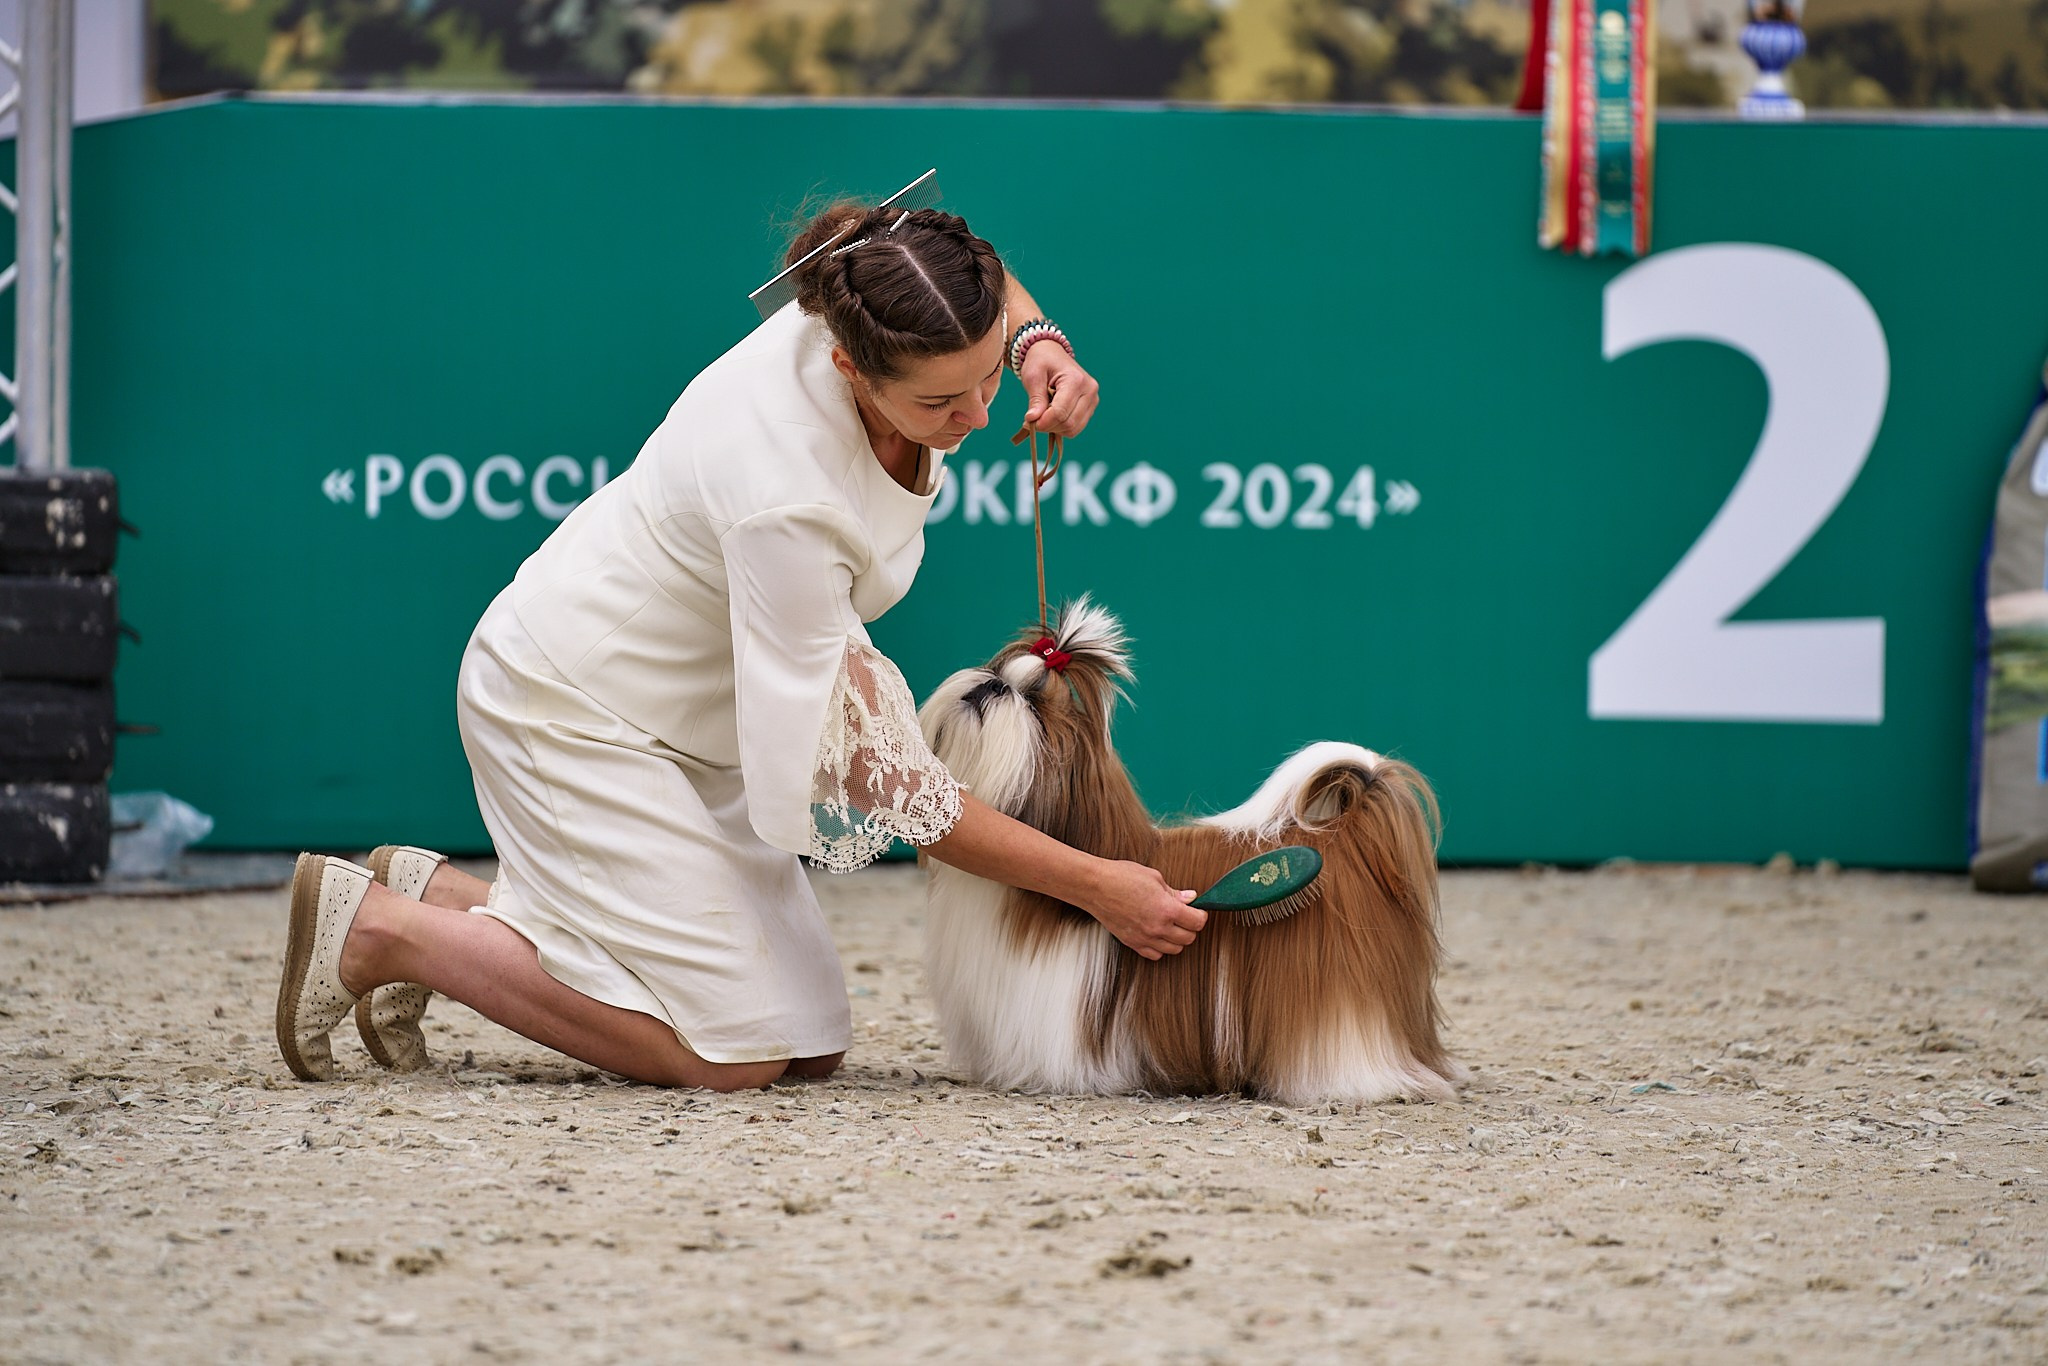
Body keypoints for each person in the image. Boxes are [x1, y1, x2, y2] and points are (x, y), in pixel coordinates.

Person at [274, 200, 1209, 1091]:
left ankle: (436, 893)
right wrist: (1096, 885)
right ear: (850, 368)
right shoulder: (787, 498)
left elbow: (985, 287)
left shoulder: (874, 275)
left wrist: (1037, 343)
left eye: (985, 379)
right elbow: (884, 780)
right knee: (728, 1058)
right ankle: (386, 934)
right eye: (937, 402)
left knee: (808, 1046)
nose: (973, 413)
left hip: (702, 716)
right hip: (569, 704)